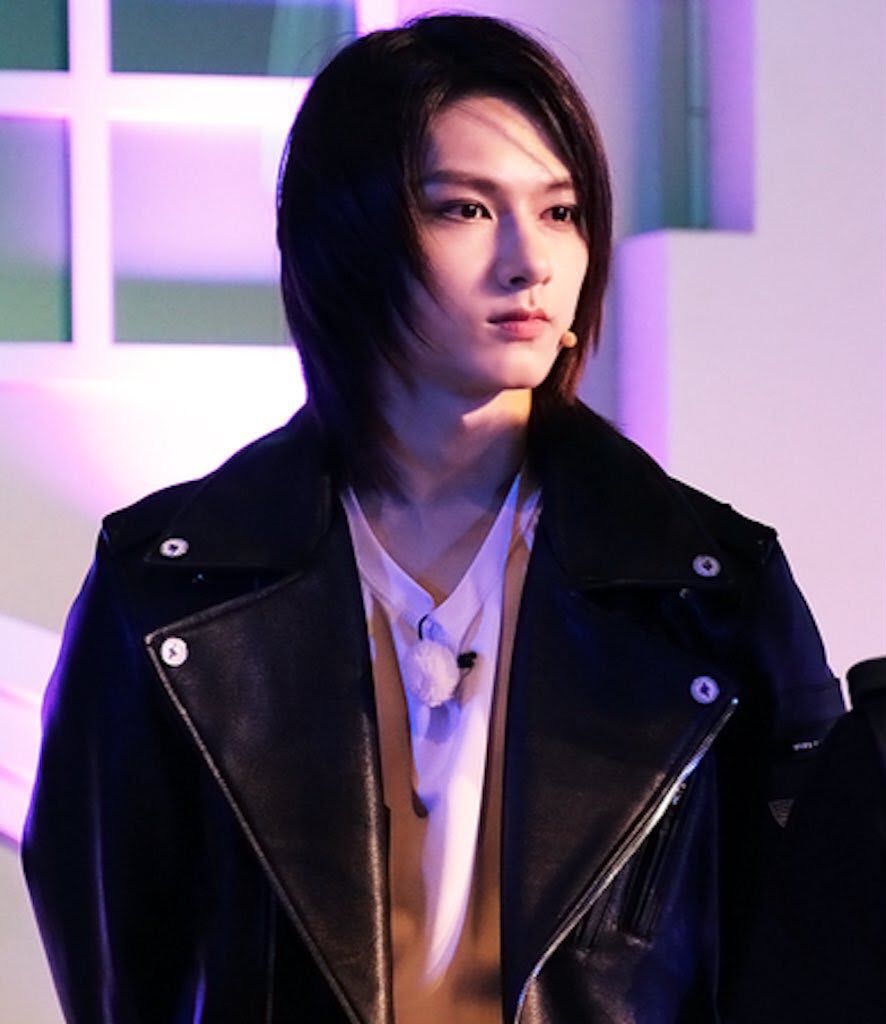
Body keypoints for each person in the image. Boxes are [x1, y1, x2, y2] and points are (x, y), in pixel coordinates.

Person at [22, 14, 843, 1023]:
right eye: (465, 209)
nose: (529, 261)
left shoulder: (713, 587)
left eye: (561, 211)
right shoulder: (167, 586)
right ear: (349, 234)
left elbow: (809, 949)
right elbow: (116, 959)